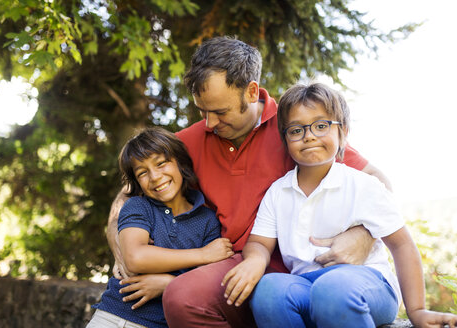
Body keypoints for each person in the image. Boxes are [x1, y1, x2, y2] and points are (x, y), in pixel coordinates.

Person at [107, 36, 391, 327]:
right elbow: (130, 194)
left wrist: (364, 235)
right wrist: (120, 243)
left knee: (188, 294)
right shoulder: (192, 139)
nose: (209, 123)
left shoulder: (295, 129)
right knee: (184, 298)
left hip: (288, 268)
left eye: (220, 111)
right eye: (202, 111)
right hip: (226, 262)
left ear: (251, 92)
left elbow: (376, 180)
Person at [221, 82, 457, 328]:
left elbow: (401, 245)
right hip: (305, 285)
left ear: (343, 132)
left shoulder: (363, 185)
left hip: (367, 284)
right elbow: (260, 243)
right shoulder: (278, 192)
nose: (309, 136)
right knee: (269, 291)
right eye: (296, 130)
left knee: (331, 289)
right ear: (285, 139)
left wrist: (417, 310)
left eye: (321, 125)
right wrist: (254, 260)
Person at [88, 127, 234, 328]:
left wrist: (167, 284)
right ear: (136, 181)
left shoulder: (207, 220)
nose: (155, 177)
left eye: (161, 163)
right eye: (143, 173)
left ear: (180, 163)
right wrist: (203, 254)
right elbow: (135, 258)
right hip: (115, 317)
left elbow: (206, 284)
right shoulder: (138, 207)